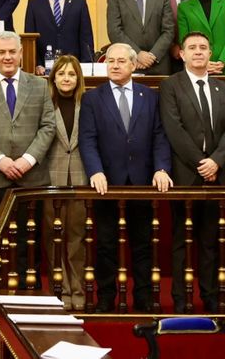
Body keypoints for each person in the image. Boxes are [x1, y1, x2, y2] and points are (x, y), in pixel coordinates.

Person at [79, 43, 173, 313]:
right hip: (105, 182)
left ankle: (143, 299)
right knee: (106, 243)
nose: (115, 65)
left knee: (143, 244)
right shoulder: (92, 98)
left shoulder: (149, 96)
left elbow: (159, 136)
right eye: (111, 61)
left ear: (134, 65)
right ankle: (106, 298)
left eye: (121, 61)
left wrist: (162, 168)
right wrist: (95, 170)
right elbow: (88, 139)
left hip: (142, 182)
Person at [0, 31, 55, 295]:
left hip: (31, 178)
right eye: (1, 52)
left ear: (21, 54)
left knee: (29, 240)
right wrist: (0, 160)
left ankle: (29, 292)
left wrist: (27, 160)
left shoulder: (39, 85)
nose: (7, 57)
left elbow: (48, 126)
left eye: (12, 51)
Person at [159, 32, 225, 313]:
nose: (198, 52)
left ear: (210, 53)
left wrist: (215, 161)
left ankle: (210, 296)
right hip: (185, 175)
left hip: (217, 175)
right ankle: (181, 299)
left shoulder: (223, 88)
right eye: (192, 48)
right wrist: (201, 162)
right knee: (182, 240)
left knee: (209, 241)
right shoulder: (171, 86)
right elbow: (173, 128)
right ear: (182, 54)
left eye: (203, 47)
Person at [44, 54, 89, 311]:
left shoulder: (88, 102)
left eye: (71, 74)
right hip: (51, 177)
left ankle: (77, 289)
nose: (66, 79)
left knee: (76, 238)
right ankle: (57, 290)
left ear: (78, 78)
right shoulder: (45, 102)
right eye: (61, 74)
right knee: (53, 238)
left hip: (81, 178)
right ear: (53, 78)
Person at [105, 0, 175, 74]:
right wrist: (137, 54)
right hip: (129, 63)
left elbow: (168, 30)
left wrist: (152, 55)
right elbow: (114, 31)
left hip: (159, 63)